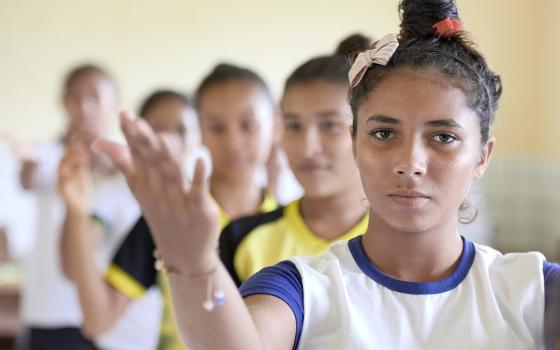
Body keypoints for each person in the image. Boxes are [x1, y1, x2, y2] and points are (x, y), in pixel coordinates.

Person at [95, 1, 560, 347]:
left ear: (483, 155)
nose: (410, 162)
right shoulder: (302, 287)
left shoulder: (532, 289)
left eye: (443, 137)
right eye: (383, 134)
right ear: (354, 143)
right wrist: (192, 264)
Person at [69, 64, 279, 350]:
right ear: (200, 130)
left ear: (275, 126)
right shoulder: (170, 218)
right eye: (217, 127)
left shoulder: (293, 220)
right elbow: (98, 320)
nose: (233, 141)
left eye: (248, 125)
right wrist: (77, 212)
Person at [220, 34, 371, 286]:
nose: (307, 147)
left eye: (330, 125)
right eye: (293, 125)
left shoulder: (402, 238)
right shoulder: (243, 238)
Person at [19, 64, 119, 350]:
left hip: (109, 305)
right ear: (63, 102)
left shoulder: (121, 164)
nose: (84, 106)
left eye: (94, 97)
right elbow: (28, 178)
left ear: (113, 104)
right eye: (75, 97)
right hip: (51, 307)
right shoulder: (44, 156)